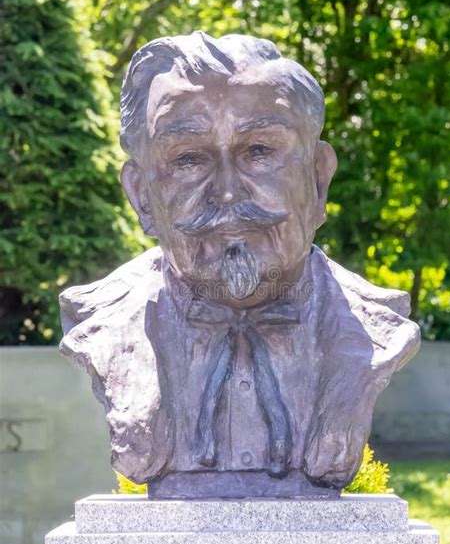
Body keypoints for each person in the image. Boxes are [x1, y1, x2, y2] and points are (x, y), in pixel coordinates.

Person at [60, 32, 420, 495]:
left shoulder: (377, 333)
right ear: (141, 196)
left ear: (318, 179)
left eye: (260, 152)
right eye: (188, 159)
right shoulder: (101, 327)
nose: (227, 191)